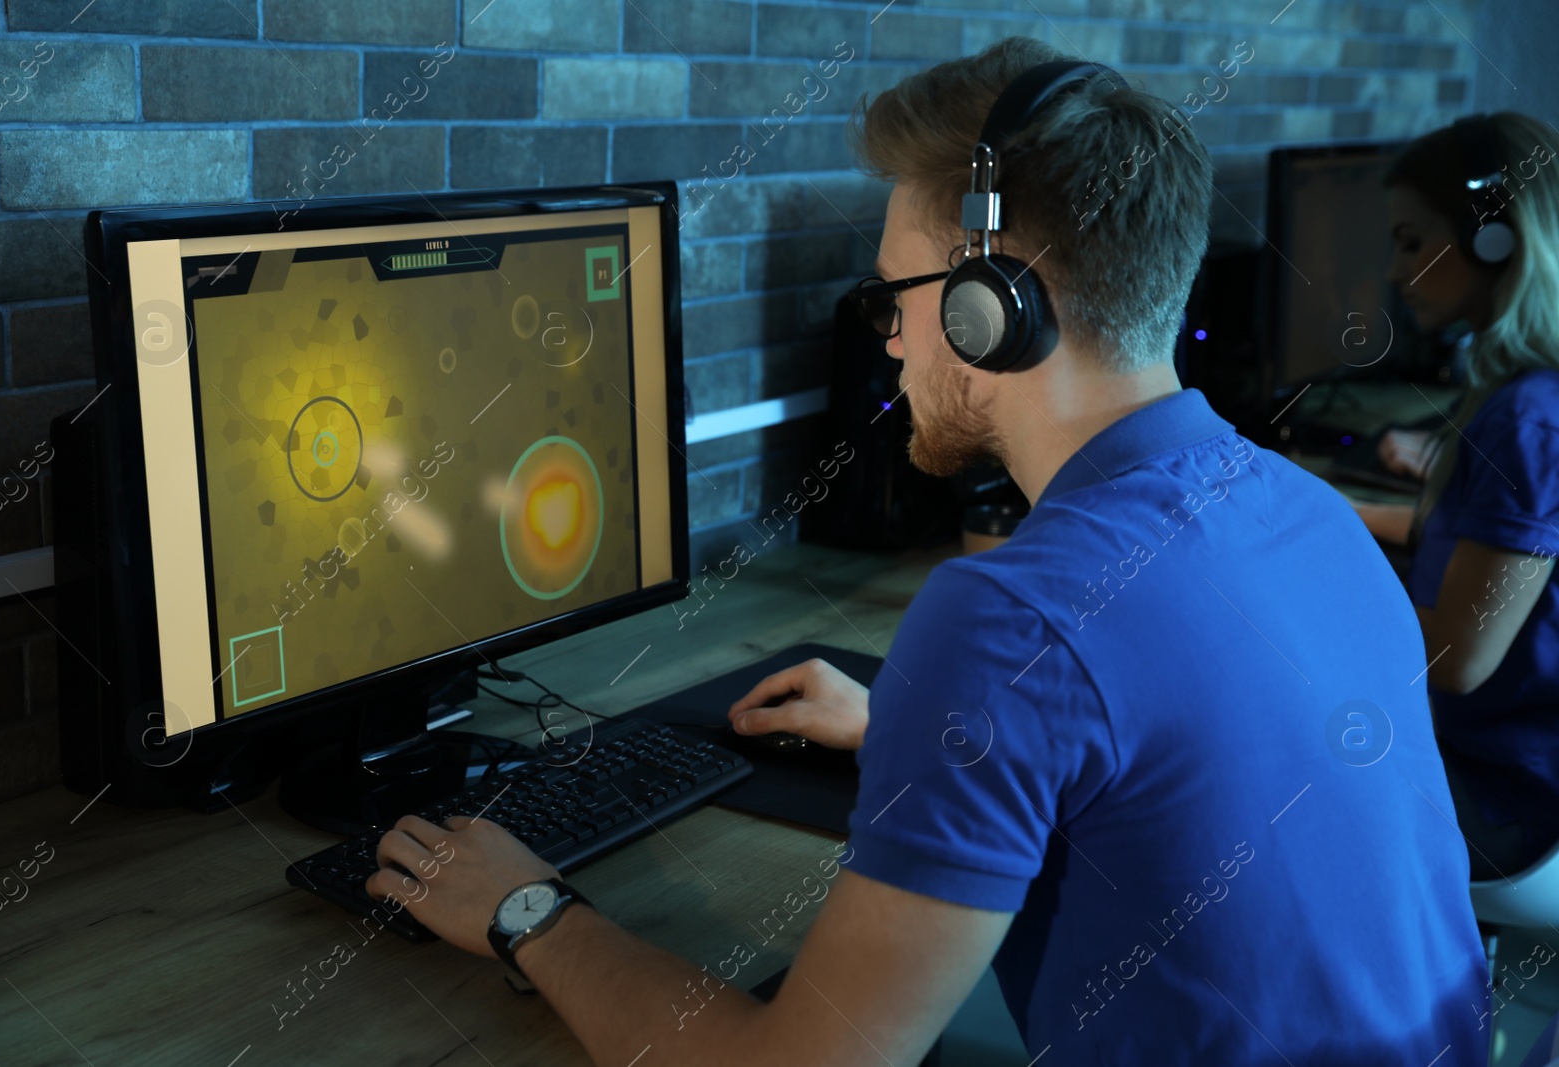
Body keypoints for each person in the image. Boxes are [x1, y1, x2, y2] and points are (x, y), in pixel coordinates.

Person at [365, 39, 1487, 1064]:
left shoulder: (1012, 617)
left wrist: (533, 914)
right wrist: (916, 723)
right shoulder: (1304, 508)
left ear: (990, 310)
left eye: (893, 296)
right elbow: (1176, 744)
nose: (888, 337)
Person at [1352, 112, 1559, 880]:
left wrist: (1321, 582)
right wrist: (1331, 511)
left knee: (1256, 757)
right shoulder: (1523, 395)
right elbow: (1474, 549)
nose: (1395, 273)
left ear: (1493, 240)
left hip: (1508, 800)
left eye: (1411, 242)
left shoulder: (1529, 421)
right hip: (1502, 762)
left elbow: (1457, 657)